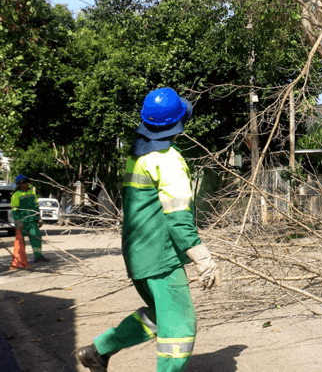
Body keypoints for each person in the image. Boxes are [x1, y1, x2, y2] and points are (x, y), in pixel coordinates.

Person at [77, 87, 222, 372]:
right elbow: (178, 218)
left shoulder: (137, 155)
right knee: (180, 328)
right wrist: (204, 260)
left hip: (137, 253)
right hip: (160, 258)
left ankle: (99, 351)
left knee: (158, 315)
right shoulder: (169, 161)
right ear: (178, 124)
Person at [10, 174, 48, 263]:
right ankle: (21, 260)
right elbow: (15, 210)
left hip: (32, 221)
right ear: (19, 184)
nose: (26, 184)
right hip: (22, 222)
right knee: (21, 241)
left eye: (27, 182)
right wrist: (18, 221)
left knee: (36, 238)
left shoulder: (32, 192)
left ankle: (38, 256)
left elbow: (36, 206)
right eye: (24, 182)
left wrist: (39, 217)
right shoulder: (16, 195)